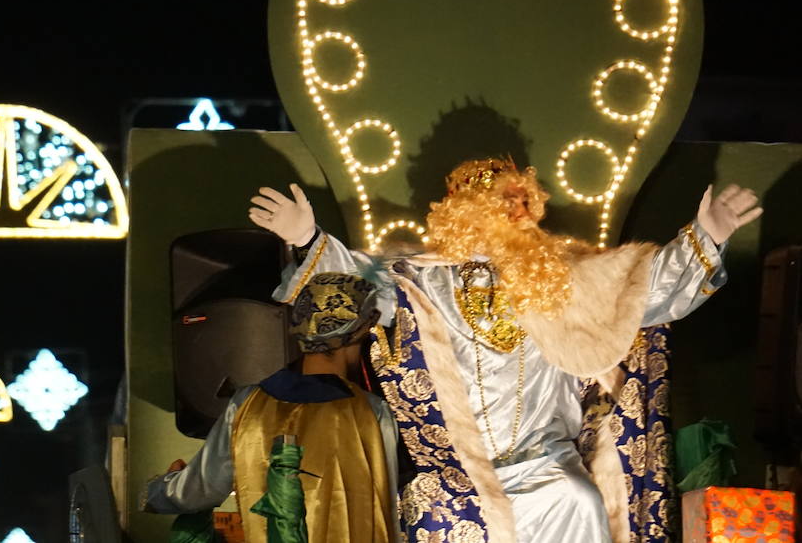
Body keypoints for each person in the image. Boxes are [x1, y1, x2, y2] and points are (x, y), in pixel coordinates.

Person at [249, 159, 761, 543]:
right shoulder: (415, 277)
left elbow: (641, 290)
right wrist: (307, 238)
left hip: (550, 474)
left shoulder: (561, 276)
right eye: (496, 205)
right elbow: (348, 287)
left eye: (517, 204)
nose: (509, 214)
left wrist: (706, 238)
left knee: (581, 499)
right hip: (455, 483)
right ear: (460, 213)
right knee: (428, 516)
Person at [143, 271, 401, 542]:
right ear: (360, 330)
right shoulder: (371, 412)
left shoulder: (248, 404)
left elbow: (197, 491)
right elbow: (388, 508)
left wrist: (156, 491)